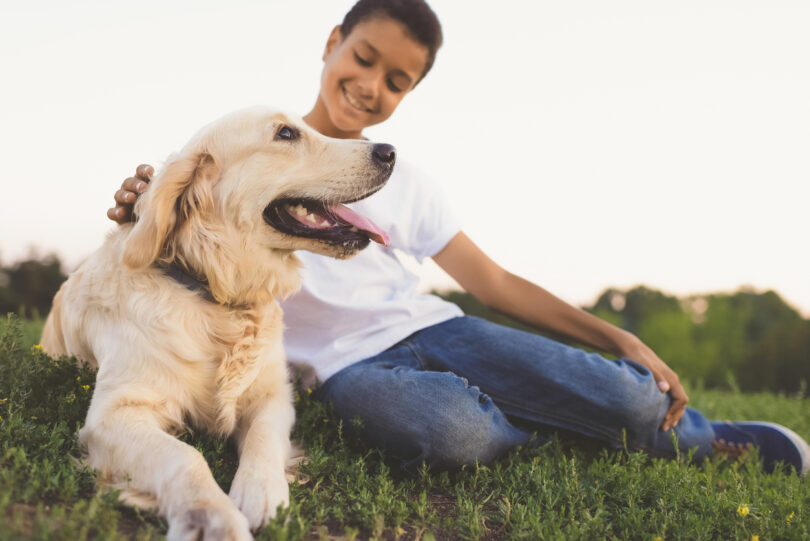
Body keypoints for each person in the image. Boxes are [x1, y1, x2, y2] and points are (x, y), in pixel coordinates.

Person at [108, 0, 809, 476]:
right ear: (332, 43)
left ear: (408, 93)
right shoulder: (253, 144)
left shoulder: (398, 176)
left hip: (438, 332)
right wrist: (139, 201)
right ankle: (570, 436)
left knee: (626, 395)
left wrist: (617, 338)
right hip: (343, 372)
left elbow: (493, 283)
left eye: (396, 80)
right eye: (363, 57)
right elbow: (181, 206)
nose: (370, 86)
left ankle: (706, 438)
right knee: (451, 432)